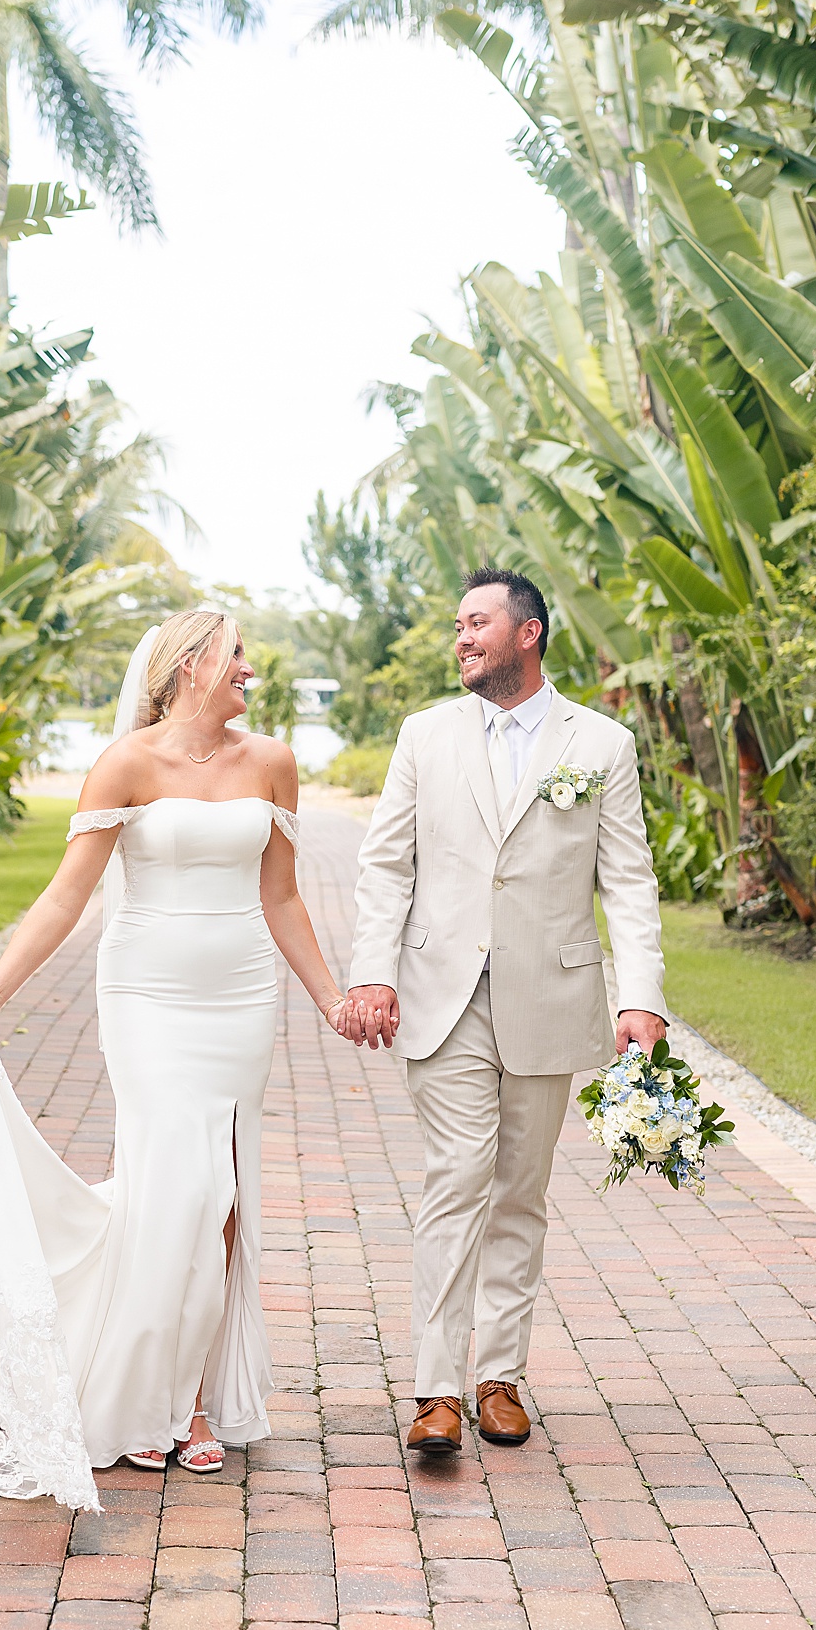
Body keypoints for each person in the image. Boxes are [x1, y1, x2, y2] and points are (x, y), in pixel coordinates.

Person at [0, 610, 355, 1509]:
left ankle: (190, 1402)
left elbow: (284, 895)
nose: (249, 670)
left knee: (221, 1193)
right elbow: (66, 897)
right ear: (189, 667)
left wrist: (331, 997)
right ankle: (141, 1393)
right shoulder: (127, 763)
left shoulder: (273, 763)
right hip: (147, 998)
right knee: (170, 1186)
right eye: (236, 656)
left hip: (240, 999)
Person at [342, 568, 665, 1456]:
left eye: (476, 622)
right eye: (457, 624)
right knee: (457, 1177)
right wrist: (372, 972)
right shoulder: (425, 735)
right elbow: (386, 866)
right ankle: (437, 1391)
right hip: (441, 996)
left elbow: (628, 882)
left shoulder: (600, 743)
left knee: (520, 1192)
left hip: (550, 997)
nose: (461, 637)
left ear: (528, 633)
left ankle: (501, 1378)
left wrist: (641, 995)